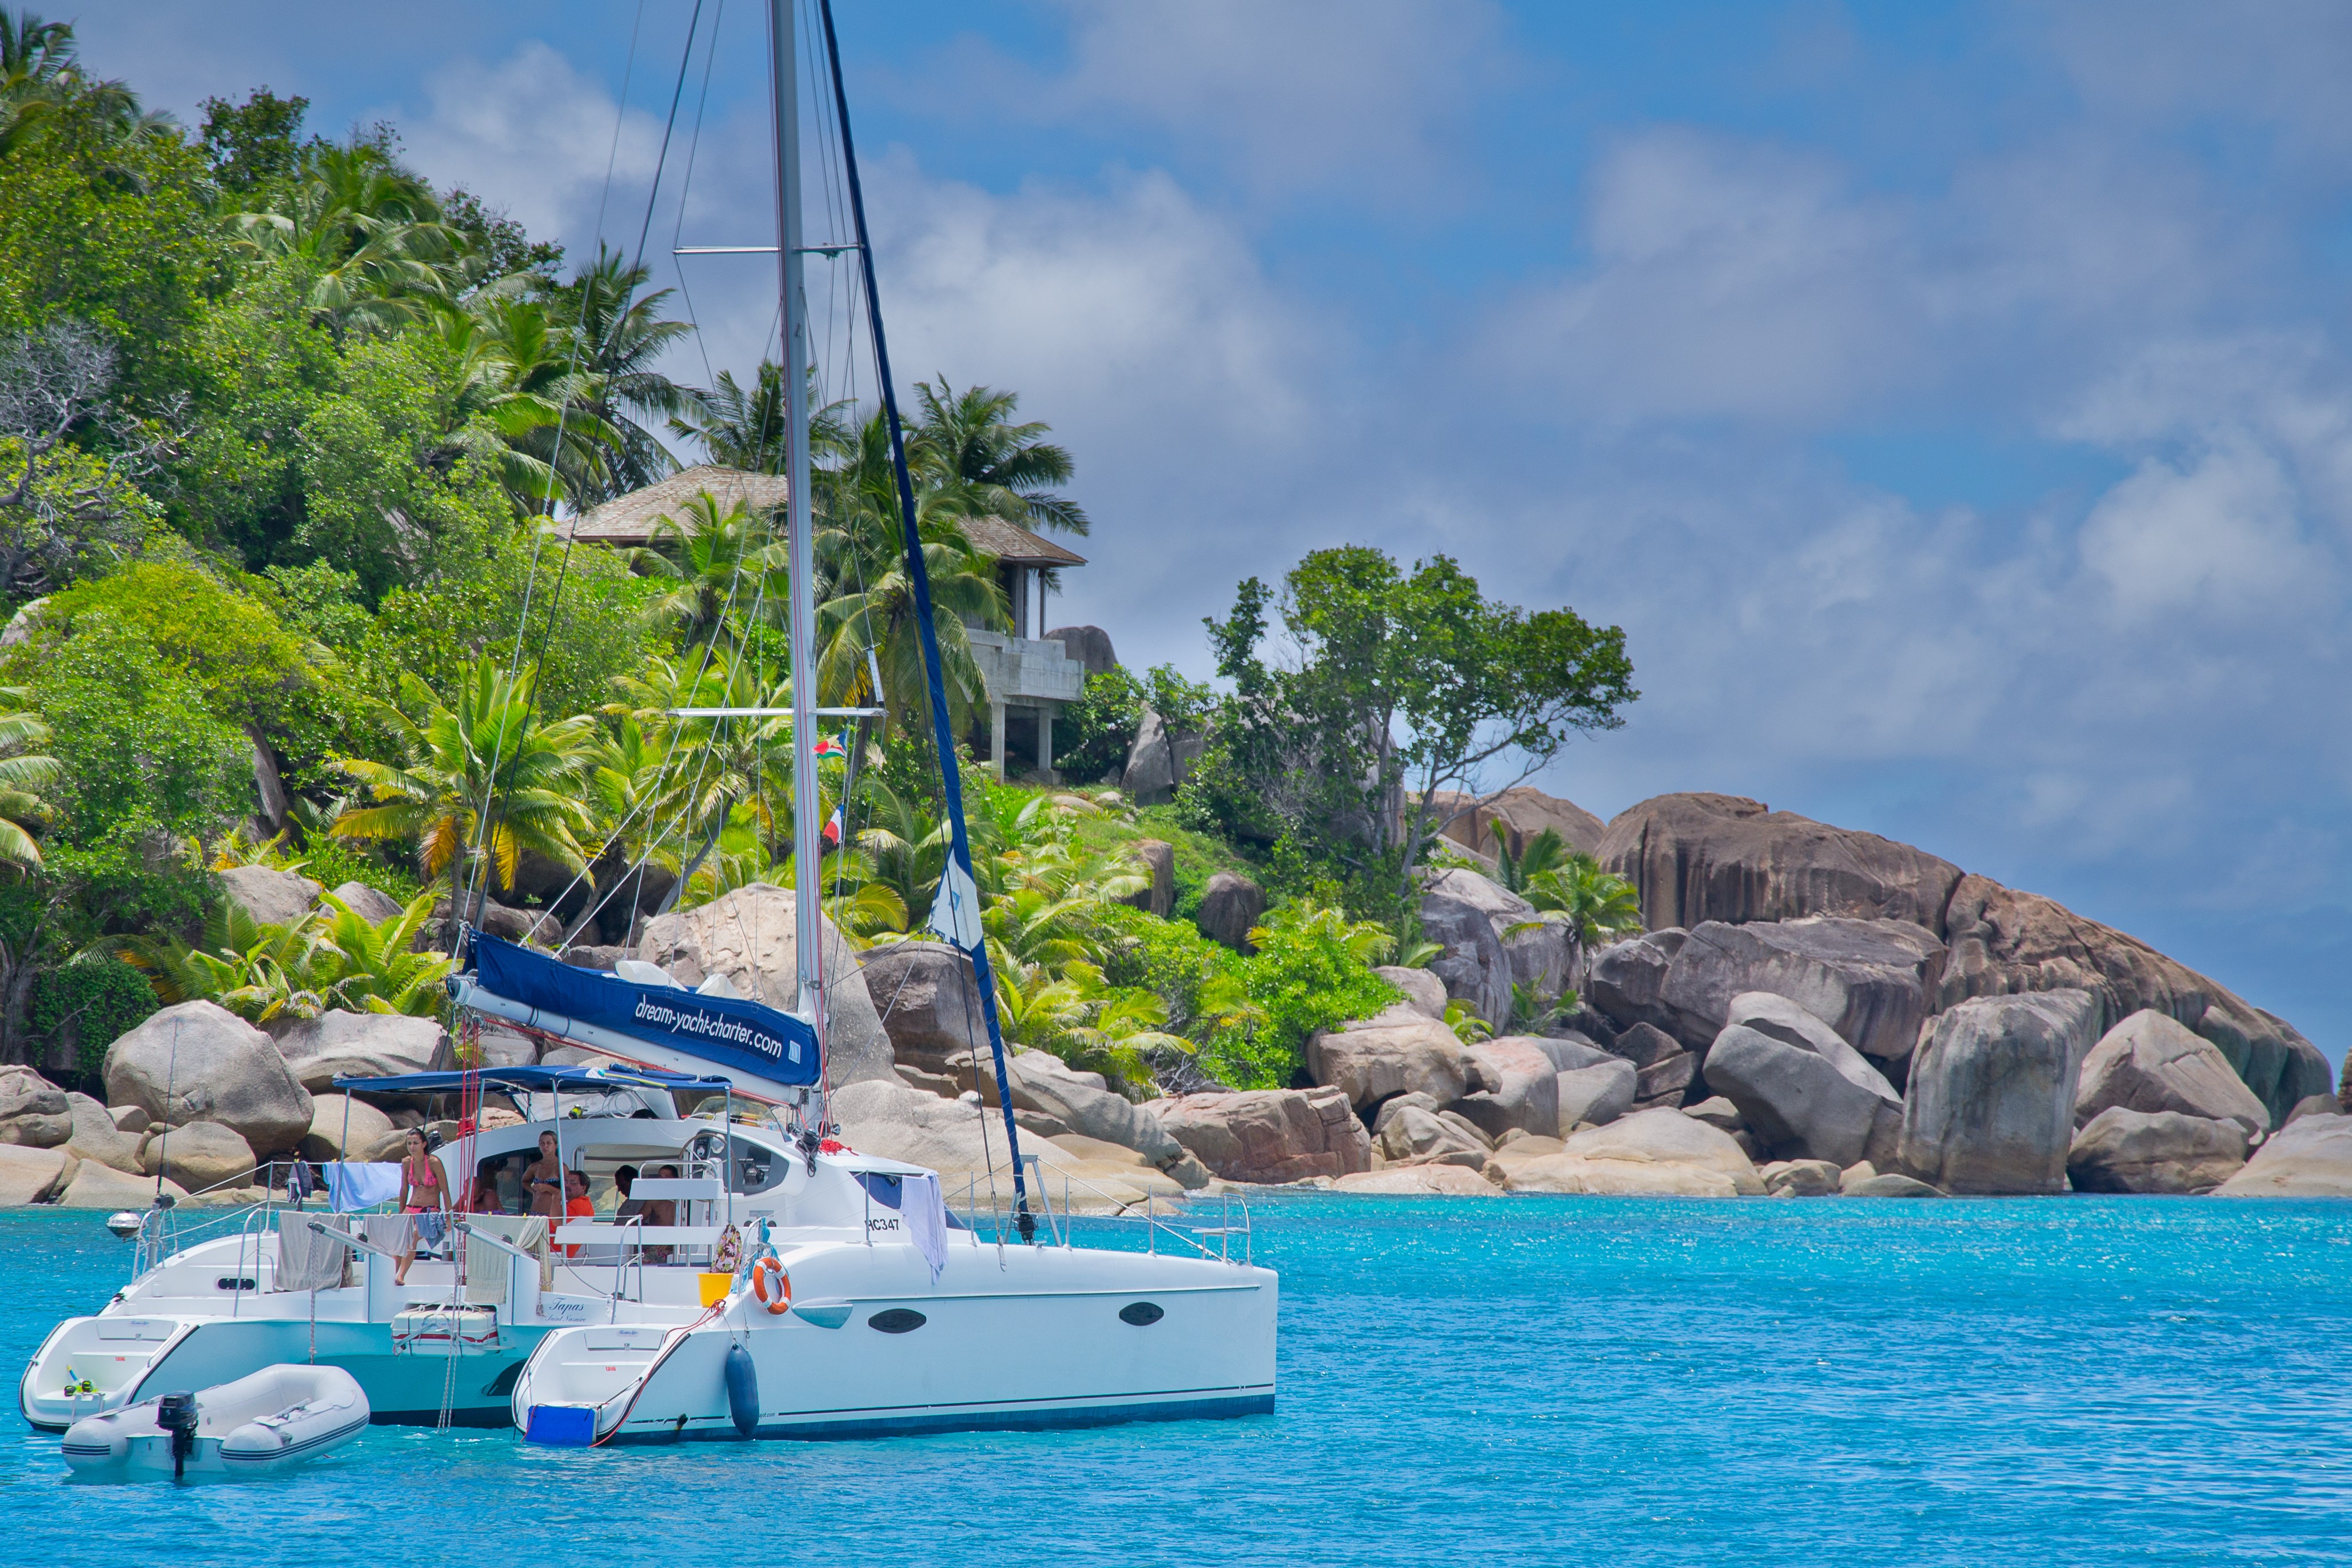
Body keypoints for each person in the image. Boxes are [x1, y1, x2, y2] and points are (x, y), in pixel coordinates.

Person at [393, 1128, 451, 1286]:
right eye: (409, 1143)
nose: (412, 1147)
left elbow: (445, 1191)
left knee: (413, 1236)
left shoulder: (434, 1163)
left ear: (424, 1144)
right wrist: (400, 1213)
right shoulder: (406, 1163)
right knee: (397, 1239)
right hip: (411, 1207)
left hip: (430, 1210)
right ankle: (393, 1274)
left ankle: (401, 1276)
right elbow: (404, 1190)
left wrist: (449, 1217)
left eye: (416, 1143)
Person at [523, 1130, 565, 1224]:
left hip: (550, 1214)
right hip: (534, 1212)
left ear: (556, 1145)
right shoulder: (535, 1166)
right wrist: (532, 1191)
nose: (545, 1146)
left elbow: (566, 1193)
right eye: (542, 1143)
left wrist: (548, 1188)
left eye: (549, 1143)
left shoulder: (561, 1168)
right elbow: (524, 1181)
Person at [558, 1168, 596, 1258]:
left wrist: (555, 1197)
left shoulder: (579, 1204)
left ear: (583, 1188)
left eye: (573, 1183)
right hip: (557, 1248)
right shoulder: (584, 1204)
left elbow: (556, 1222)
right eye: (566, 1182)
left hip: (554, 1249)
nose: (567, 1185)